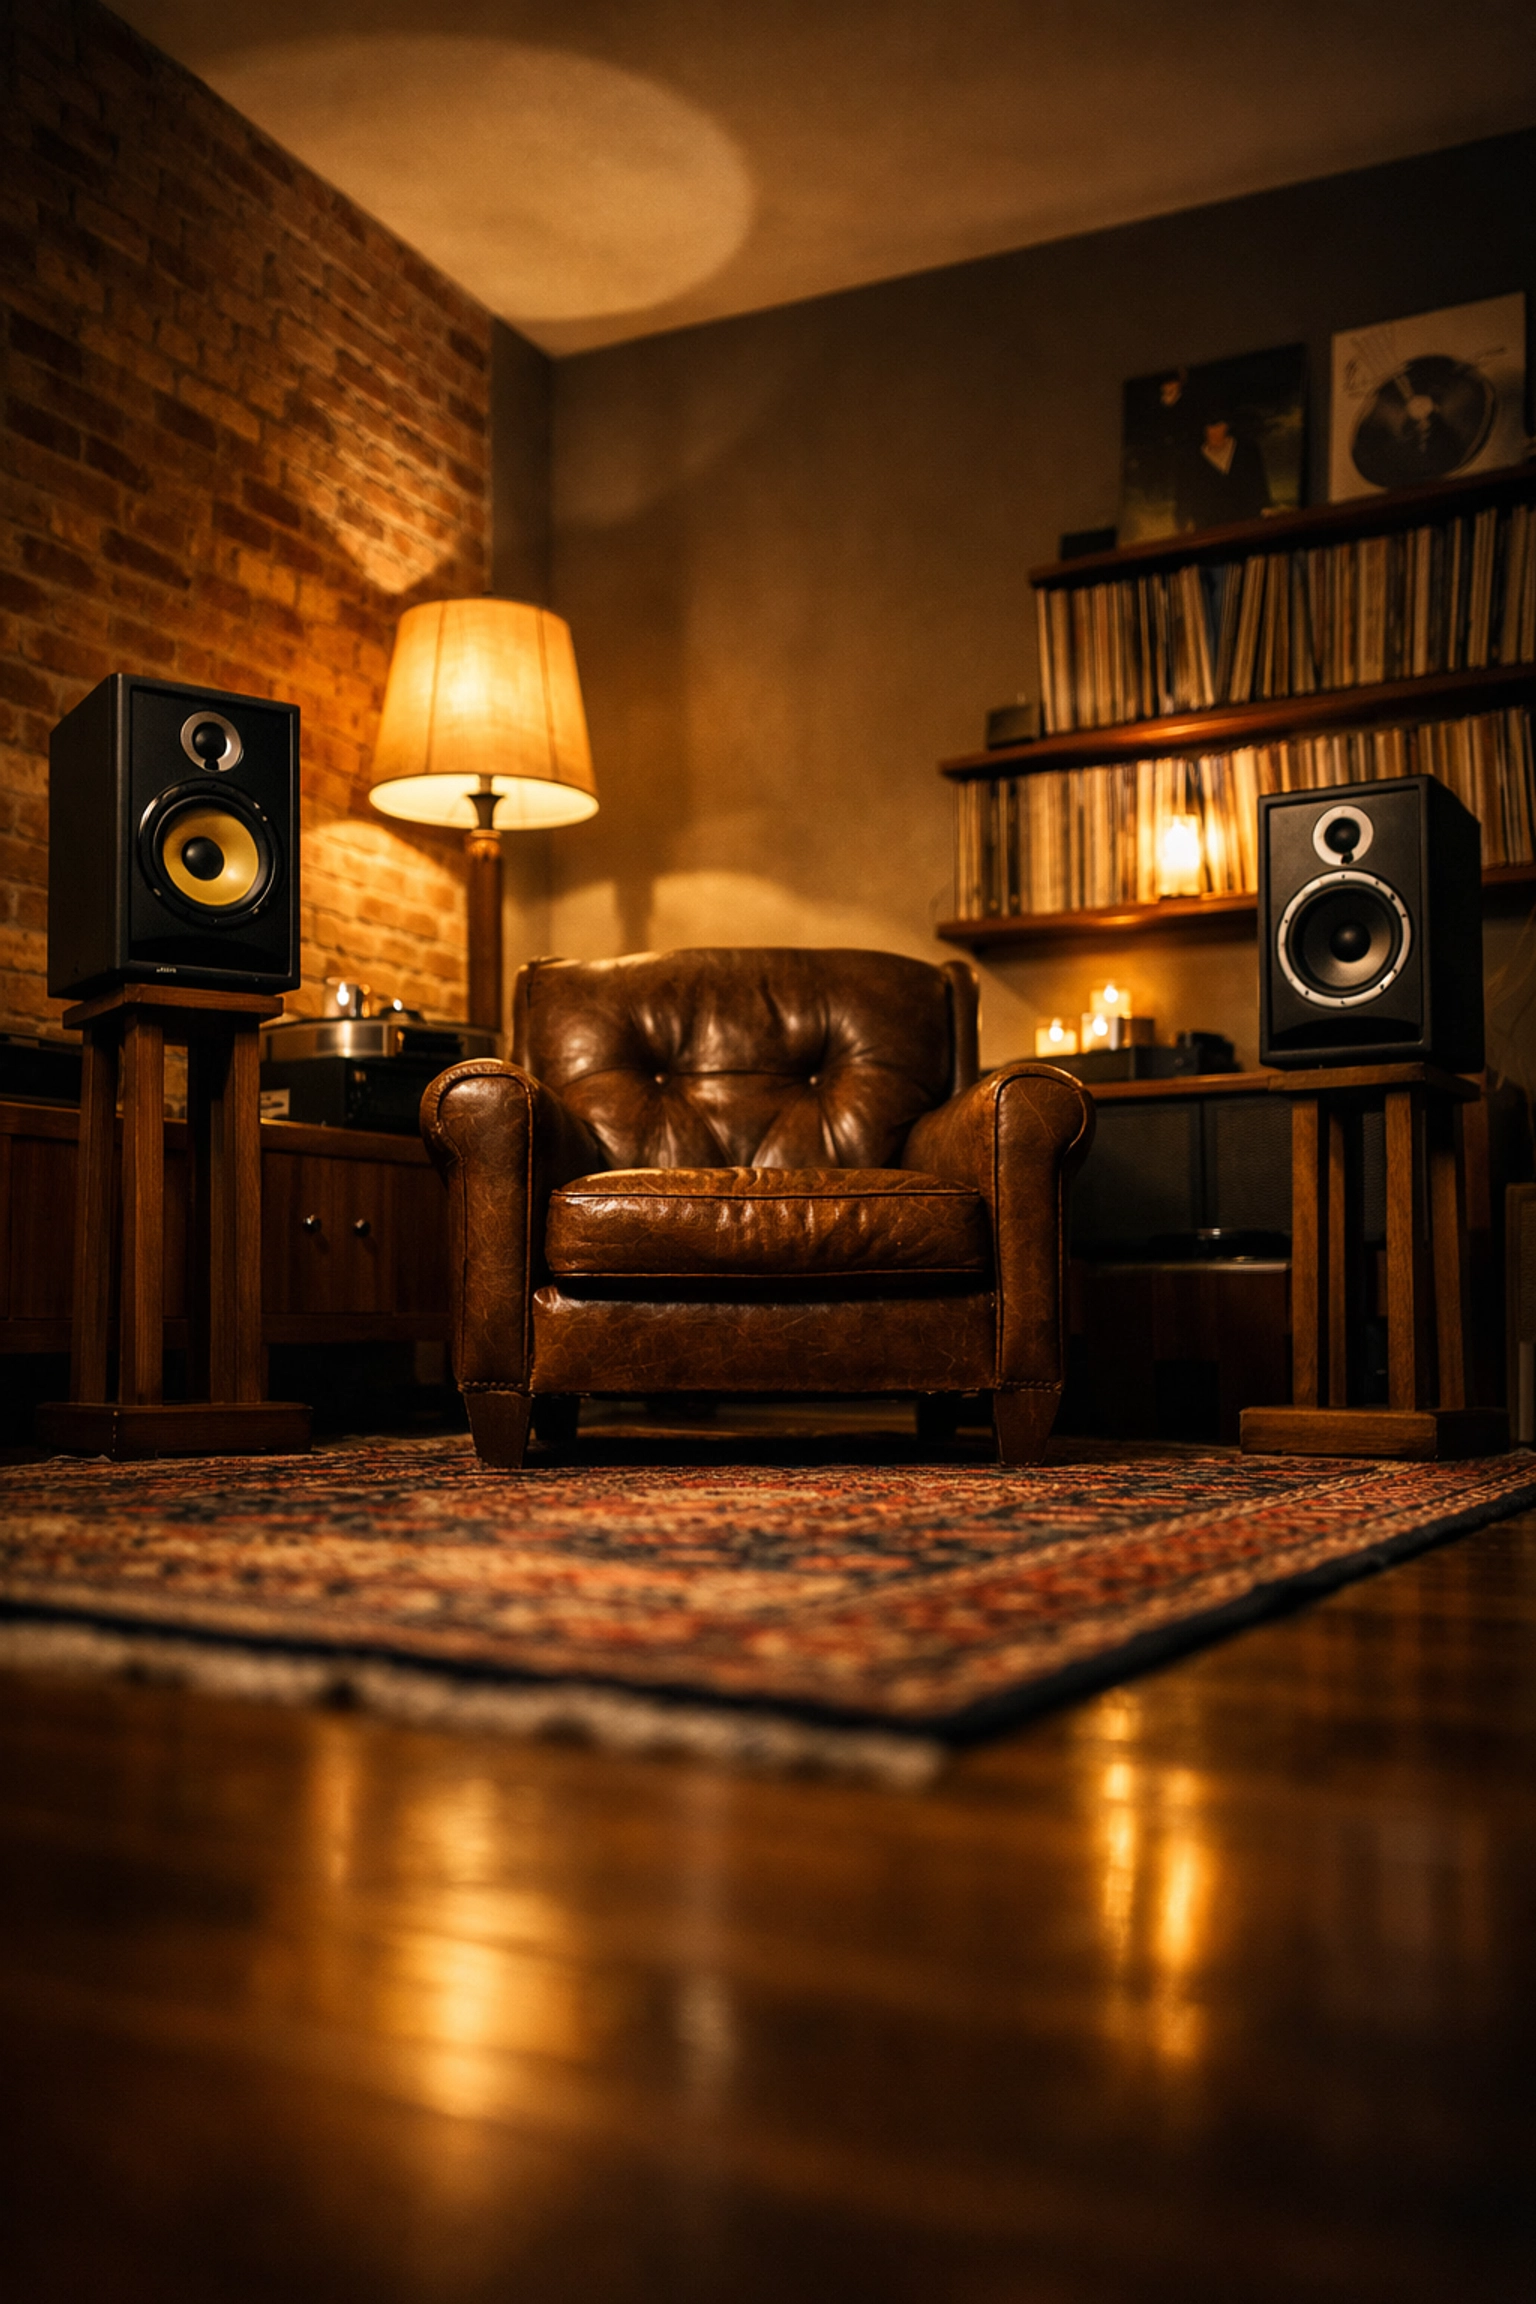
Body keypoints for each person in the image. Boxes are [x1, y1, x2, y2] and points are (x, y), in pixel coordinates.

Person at [1174, 399, 1272, 532]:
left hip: (1247, 525)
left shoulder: (1247, 450)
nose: (1213, 432)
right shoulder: (1192, 461)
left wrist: (1266, 510)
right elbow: (1184, 496)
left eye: (1218, 425)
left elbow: (1259, 483)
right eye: (1209, 426)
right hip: (1210, 531)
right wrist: (1183, 523)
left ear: (1227, 426)